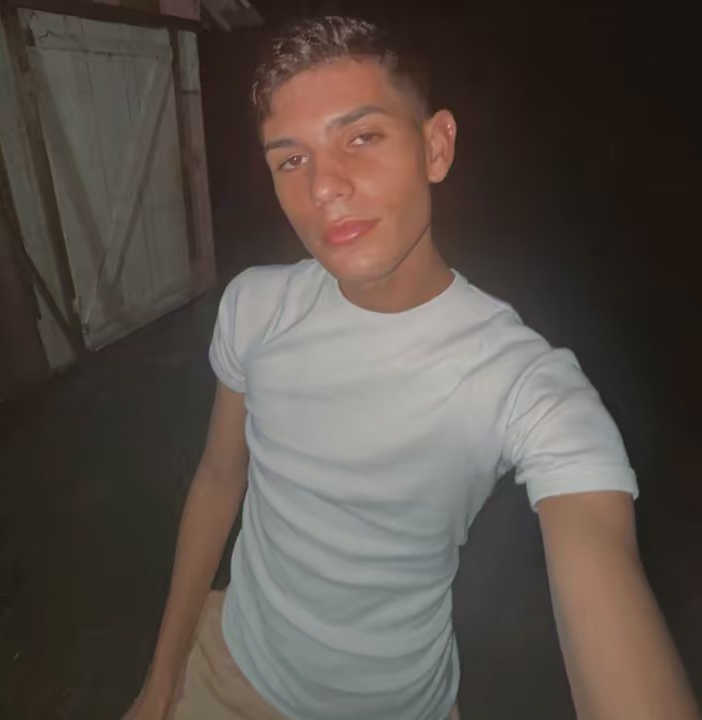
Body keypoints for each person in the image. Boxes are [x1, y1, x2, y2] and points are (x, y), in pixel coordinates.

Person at [122, 16, 700, 720]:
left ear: (435, 147)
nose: (324, 187)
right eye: (291, 160)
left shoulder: (520, 382)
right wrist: (162, 679)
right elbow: (219, 479)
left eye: (361, 138)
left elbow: (597, 552)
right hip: (228, 665)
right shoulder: (256, 306)